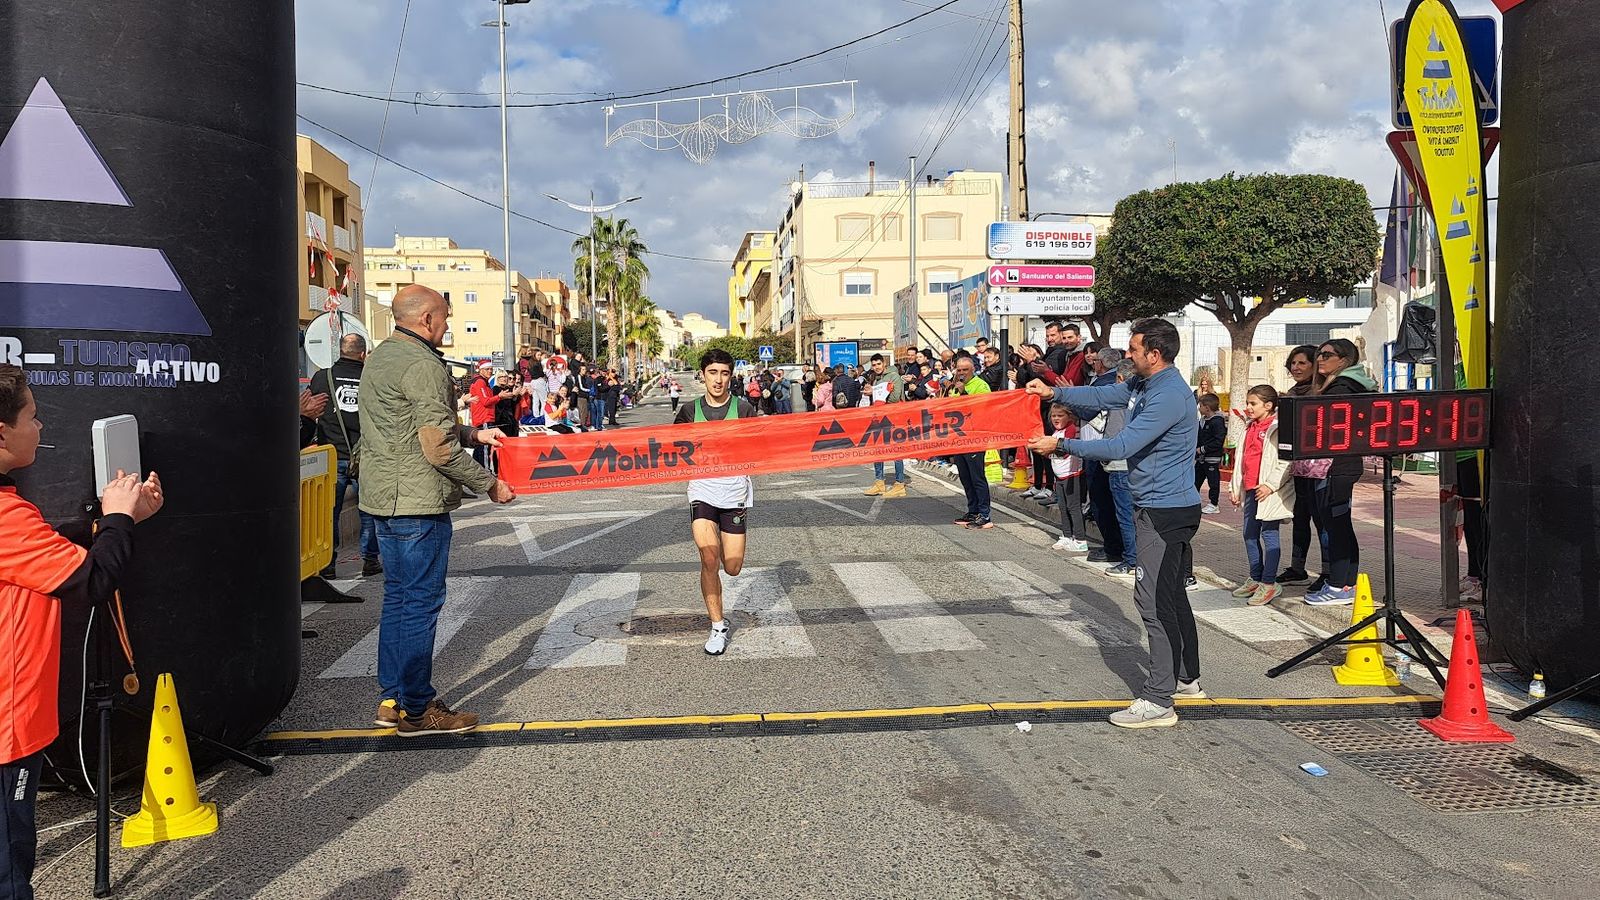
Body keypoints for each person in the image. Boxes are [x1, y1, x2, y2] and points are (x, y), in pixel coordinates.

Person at [1, 364, 164, 893]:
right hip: (6, 727)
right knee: (9, 867)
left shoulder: (12, 514)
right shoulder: (5, 518)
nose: (40, 426)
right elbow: (92, 580)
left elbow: (44, 546)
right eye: (32, 416)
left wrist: (119, 520)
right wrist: (117, 519)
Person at [1028, 318, 1202, 729]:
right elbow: (1104, 393)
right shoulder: (1145, 383)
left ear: (1154, 354)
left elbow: (1122, 445)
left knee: (1152, 602)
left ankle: (1158, 700)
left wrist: (1061, 443)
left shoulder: (1168, 395)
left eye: (1134, 348)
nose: (1128, 354)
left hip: (1163, 511)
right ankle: (1186, 678)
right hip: (1163, 506)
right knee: (1171, 597)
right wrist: (1055, 391)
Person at [359, 284, 517, 736]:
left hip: (383, 499)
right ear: (426, 318)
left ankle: (392, 699)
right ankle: (418, 708)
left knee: (398, 599)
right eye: (446, 316)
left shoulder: (381, 358)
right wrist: (489, 484)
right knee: (420, 604)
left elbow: (412, 426)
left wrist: (476, 435)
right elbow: (437, 447)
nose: (448, 325)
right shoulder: (423, 365)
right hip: (416, 504)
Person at [674, 348, 757, 656]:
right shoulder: (688, 411)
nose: (718, 380)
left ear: (730, 376)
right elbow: (670, 448)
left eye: (724, 373)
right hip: (702, 491)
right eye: (712, 373)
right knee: (709, 559)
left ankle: (723, 547)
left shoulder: (744, 409)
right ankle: (718, 626)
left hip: (734, 492)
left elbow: (762, 444)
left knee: (732, 567)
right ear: (703, 375)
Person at [1303, 338, 1377, 607]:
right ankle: (1347, 583)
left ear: (1344, 360)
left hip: (1335, 466)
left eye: (1326, 355)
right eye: (1318, 354)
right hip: (1343, 465)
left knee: (1336, 526)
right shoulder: (1351, 385)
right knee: (1341, 525)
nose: (1319, 359)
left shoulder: (1342, 388)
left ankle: (1338, 586)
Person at [308, 333, 380, 578]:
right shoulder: (372, 378)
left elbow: (312, 409)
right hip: (365, 456)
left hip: (330, 456)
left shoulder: (322, 377)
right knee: (368, 511)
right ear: (363, 354)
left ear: (340, 351)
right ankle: (370, 560)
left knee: (328, 514)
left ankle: (327, 564)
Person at [1227, 385, 1295, 607]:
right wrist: (1236, 488)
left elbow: (1286, 461)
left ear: (1268, 405)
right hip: (1250, 490)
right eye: (1247, 403)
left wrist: (1270, 485)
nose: (1248, 407)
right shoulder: (1249, 426)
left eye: (1252, 403)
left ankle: (1269, 582)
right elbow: (1242, 459)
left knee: (1269, 535)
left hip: (1268, 493)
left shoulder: (1278, 428)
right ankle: (1255, 578)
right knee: (1249, 534)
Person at [1278, 346, 1329, 591]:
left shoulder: (1322, 392)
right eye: (1293, 363)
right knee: (1300, 519)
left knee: (1322, 521)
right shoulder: (1291, 394)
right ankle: (1297, 568)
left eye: (1302, 363)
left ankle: (1328, 572)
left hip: (1320, 468)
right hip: (1299, 468)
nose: (1296, 368)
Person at [951, 353, 994, 529]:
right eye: (959, 370)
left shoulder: (980, 385)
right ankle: (973, 510)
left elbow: (981, 409)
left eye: (965, 370)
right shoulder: (955, 387)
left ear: (973, 370)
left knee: (977, 477)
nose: (961, 373)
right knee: (965, 477)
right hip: (958, 438)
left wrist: (964, 392)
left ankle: (984, 514)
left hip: (975, 438)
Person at [862, 353, 908, 499]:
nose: (876, 367)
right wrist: (871, 393)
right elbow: (878, 399)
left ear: (884, 363)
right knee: (877, 450)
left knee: (896, 451)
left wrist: (875, 391)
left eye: (878, 364)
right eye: (874, 365)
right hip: (880, 418)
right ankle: (879, 482)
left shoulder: (894, 376)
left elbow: (895, 398)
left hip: (895, 418)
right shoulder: (877, 379)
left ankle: (899, 484)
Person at [1048, 403, 1089, 553]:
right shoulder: (1056, 432)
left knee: (1073, 507)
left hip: (1072, 475)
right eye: (1053, 416)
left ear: (1069, 416)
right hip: (1059, 476)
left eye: (1060, 416)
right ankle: (1066, 535)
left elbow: (1065, 451)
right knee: (1062, 507)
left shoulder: (1071, 429)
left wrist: (1047, 451)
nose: (1056, 419)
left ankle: (1080, 539)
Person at [468, 361, 508, 466]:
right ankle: (484, 470)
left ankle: (479, 469)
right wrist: (499, 397)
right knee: (485, 447)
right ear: (481, 370)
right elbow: (485, 401)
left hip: (483, 417)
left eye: (491, 369)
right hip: (484, 418)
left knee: (480, 447)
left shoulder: (482, 381)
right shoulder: (480, 382)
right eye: (487, 369)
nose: (490, 371)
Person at [1195, 393, 1227, 515]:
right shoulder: (1203, 421)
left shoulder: (1217, 422)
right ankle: (1194, 501)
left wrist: (1203, 449)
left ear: (1207, 408)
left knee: (1213, 482)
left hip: (1212, 458)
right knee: (1195, 480)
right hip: (1201, 458)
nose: (1199, 408)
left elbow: (1218, 441)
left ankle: (1214, 504)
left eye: (1200, 406)